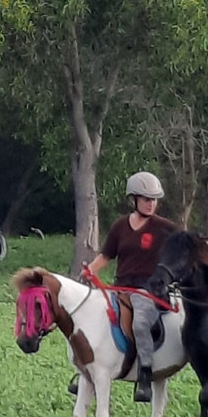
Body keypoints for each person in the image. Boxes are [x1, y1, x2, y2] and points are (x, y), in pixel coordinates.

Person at [83, 171, 177, 402]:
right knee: (92, 319)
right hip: (120, 287)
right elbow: (107, 254)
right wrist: (90, 270)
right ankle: (86, 371)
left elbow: (188, 244)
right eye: (146, 198)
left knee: (140, 322)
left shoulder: (164, 227)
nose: (151, 203)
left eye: (154, 199)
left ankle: (145, 373)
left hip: (150, 289)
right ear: (133, 199)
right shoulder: (120, 226)